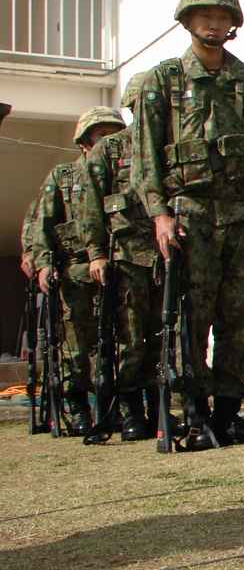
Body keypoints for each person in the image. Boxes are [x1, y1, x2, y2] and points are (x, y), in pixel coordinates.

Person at [133, 0, 244, 450]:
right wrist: (159, 215)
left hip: (240, 216)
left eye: (222, 15)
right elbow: (146, 159)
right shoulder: (162, 81)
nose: (214, 23)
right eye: (204, 15)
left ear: (234, 23)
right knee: (192, 317)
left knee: (237, 317)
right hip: (187, 217)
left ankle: (229, 413)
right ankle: (194, 412)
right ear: (188, 20)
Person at [30, 106, 128, 436]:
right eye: (103, 135)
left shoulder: (125, 175)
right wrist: (43, 264)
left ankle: (118, 407)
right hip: (75, 272)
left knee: (118, 341)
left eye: (115, 134)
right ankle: (78, 406)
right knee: (76, 343)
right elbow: (43, 224)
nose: (110, 141)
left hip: (118, 269)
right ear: (85, 141)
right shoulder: (62, 176)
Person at [80, 75, 163, 440]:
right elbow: (91, 210)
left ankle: (159, 407)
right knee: (131, 338)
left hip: (166, 258)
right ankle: (130, 410)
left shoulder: (166, 145)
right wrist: (97, 254)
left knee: (164, 337)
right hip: (126, 258)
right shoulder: (108, 150)